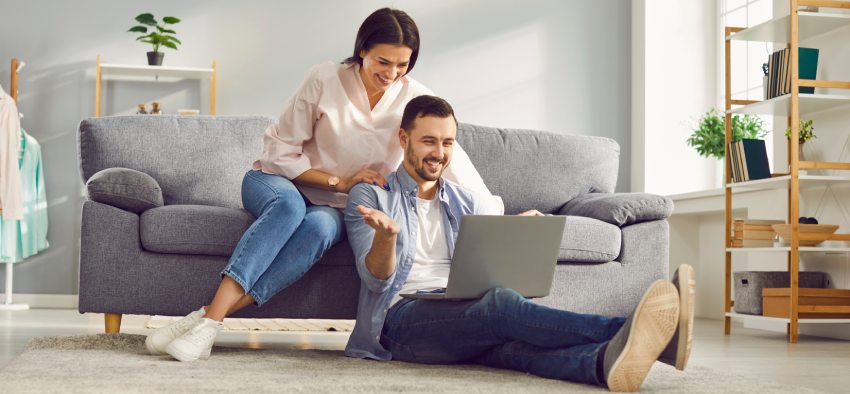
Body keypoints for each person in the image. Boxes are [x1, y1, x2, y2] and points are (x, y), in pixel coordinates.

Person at [145, 8, 499, 362]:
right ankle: (211, 323)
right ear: (362, 49)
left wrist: (498, 213)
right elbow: (279, 152)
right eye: (383, 61)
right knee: (290, 207)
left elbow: (449, 157)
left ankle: (206, 319)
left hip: (333, 206)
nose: (391, 73)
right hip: (277, 181)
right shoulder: (325, 79)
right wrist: (340, 181)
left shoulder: (413, 97)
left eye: (402, 64)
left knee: (318, 227)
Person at [344, 95, 696, 392]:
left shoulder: (467, 201)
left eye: (447, 142)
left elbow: (490, 262)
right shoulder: (372, 195)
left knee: (512, 350)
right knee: (499, 306)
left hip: (459, 313)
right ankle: (635, 331)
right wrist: (386, 238)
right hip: (400, 323)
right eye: (428, 141)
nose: (439, 152)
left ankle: (602, 363)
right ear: (403, 138)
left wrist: (517, 233)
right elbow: (376, 280)